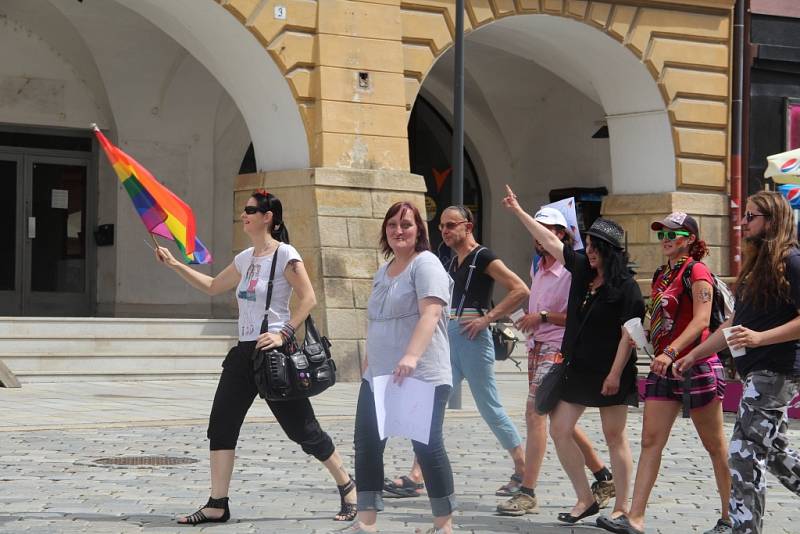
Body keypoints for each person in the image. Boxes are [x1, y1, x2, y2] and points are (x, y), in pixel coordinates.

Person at [155, 189, 356, 525]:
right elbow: (211, 286)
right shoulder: (245, 258)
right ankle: (217, 503)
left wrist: (283, 333)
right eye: (244, 210)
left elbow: (308, 299)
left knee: (302, 429)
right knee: (221, 424)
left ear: (268, 218)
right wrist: (175, 263)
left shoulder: (285, 255)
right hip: (242, 354)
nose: (244, 214)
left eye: (250, 210)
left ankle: (347, 484)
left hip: (273, 353)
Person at [502, 185, 643, 525]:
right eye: (589, 246)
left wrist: (613, 374)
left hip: (612, 371)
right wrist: (519, 212)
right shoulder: (581, 271)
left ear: (610, 251)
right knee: (560, 429)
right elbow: (551, 242)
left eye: (596, 248)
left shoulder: (626, 287)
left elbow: (630, 335)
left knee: (614, 437)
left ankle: (622, 507)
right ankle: (585, 497)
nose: (589, 252)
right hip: (576, 368)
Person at [596, 212, 731, 534]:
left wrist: (672, 351)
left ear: (690, 239)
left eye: (673, 234)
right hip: (663, 366)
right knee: (649, 441)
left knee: (715, 445)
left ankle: (731, 517)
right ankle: (636, 518)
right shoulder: (661, 274)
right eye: (662, 235)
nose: (666, 240)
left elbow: (701, 320)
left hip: (695, 365)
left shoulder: (697, 271)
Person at [675, 192, 800, 534]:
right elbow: (732, 325)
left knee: (744, 453)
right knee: (773, 453)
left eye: (752, 217)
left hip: (774, 372)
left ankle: (743, 529)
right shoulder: (757, 266)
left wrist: (761, 338)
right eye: (745, 216)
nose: (744, 223)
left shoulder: (793, 262)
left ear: (771, 221)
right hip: (756, 372)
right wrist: (694, 355)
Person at [385, 205, 530, 498]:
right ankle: (417, 474)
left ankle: (523, 468)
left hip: (472, 338)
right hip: (448, 337)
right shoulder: (450, 261)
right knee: (429, 405)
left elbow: (520, 289)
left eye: (451, 225)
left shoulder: (484, 256)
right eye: (441, 226)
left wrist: (488, 318)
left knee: (489, 407)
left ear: (468, 226)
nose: (445, 231)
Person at [338, 201, 455, 534]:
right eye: (392, 225)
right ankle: (367, 523)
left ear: (419, 230)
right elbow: (377, 320)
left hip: (419, 373)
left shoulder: (426, 263)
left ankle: (444, 525)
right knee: (368, 443)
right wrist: (370, 358)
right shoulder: (384, 269)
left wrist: (411, 356)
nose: (398, 231)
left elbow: (431, 313)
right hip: (378, 375)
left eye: (406, 224)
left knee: (426, 445)